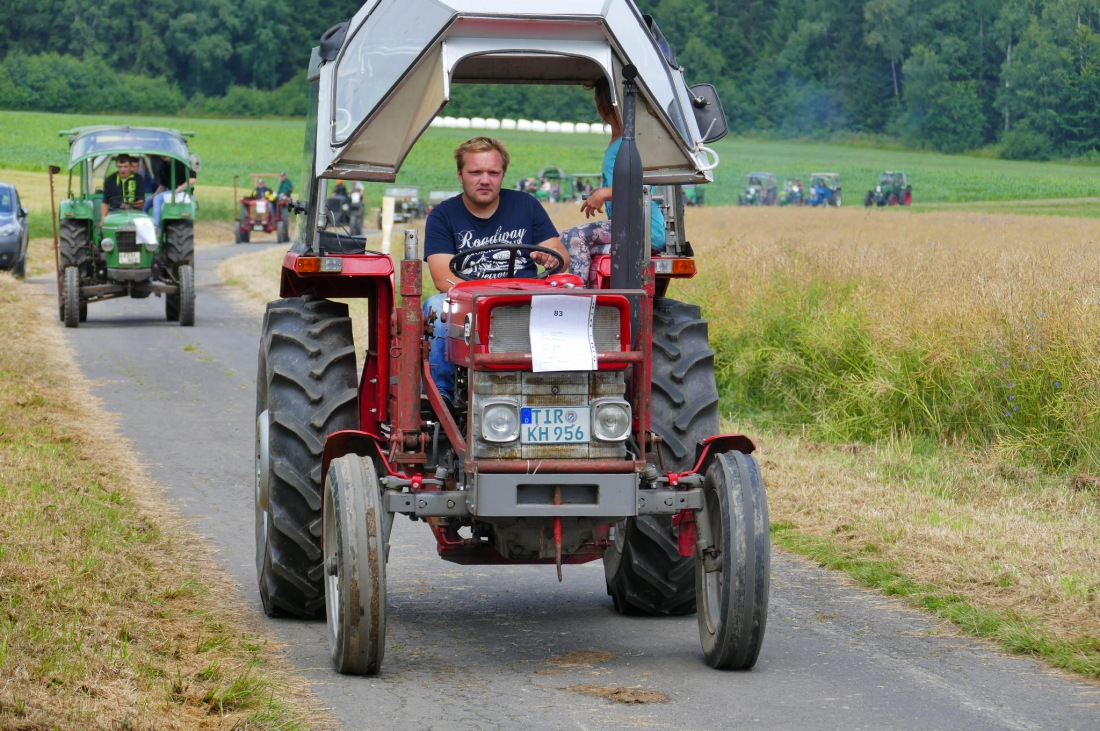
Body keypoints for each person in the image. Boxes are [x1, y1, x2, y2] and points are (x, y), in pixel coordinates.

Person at [423, 136, 570, 404]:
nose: (484, 180)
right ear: (460, 175)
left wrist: (548, 258)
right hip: (471, 302)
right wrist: (486, 297)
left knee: (569, 306)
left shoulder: (526, 205)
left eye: (493, 172)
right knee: (438, 306)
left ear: (503, 175)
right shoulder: (442, 216)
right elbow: (442, 277)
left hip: (525, 297)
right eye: (475, 172)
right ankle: (440, 399)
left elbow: (560, 255)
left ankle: (563, 392)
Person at [560, 77, 666, 287]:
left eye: (601, 101)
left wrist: (603, 194)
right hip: (622, 226)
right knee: (560, 239)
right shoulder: (618, 140)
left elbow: (643, 184)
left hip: (643, 229)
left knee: (577, 236)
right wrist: (602, 191)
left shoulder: (635, 141)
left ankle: (578, 298)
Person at [151, 155, 196, 227]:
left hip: (182, 193)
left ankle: (155, 228)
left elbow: (192, 179)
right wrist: (156, 193)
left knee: (158, 199)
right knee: (148, 200)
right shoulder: (163, 166)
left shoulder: (184, 162)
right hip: (170, 192)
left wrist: (180, 188)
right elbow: (164, 185)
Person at [101, 154, 145, 224]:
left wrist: (129, 205)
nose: (122, 170)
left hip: (135, 212)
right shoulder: (110, 180)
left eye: (125, 167)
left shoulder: (138, 179)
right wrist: (103, 217)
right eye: (120, 167)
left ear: (131, 167)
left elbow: (141, 202)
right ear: (117, 167)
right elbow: (105, 202)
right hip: (114, 212)